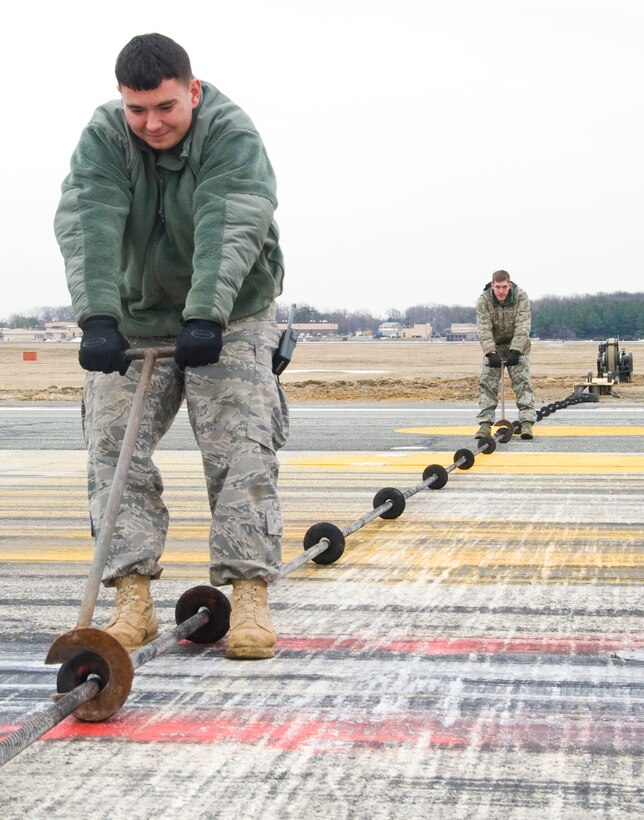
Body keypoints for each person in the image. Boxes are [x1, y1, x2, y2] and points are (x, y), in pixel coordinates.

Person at [54, 33, 288, 661]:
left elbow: (231, 218)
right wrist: (97, 317)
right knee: (111, 446)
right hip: (134, 315)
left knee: (241, 446)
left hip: (230, 310)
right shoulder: (106, 135)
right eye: (137, 110)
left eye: (165, 107)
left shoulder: (229, 133)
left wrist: (207, 315)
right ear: (121, 102)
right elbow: (88, 216)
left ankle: (249, 596)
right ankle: (131, 598)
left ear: (193, 90)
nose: (151, 123)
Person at [474, 270, 536, 440]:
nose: (501, 291)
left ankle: (526, 423)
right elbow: (483, 328)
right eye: (497, 287)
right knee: (487, 383)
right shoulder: (484, 300)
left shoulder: (520, 297)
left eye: (504, 287)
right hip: (494, 345)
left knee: (522, 383)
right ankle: (485, 425)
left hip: (517, 345)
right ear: (492, 285)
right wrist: (490, 352)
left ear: (510, 285)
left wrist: (516, 350)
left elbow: (523, 324)